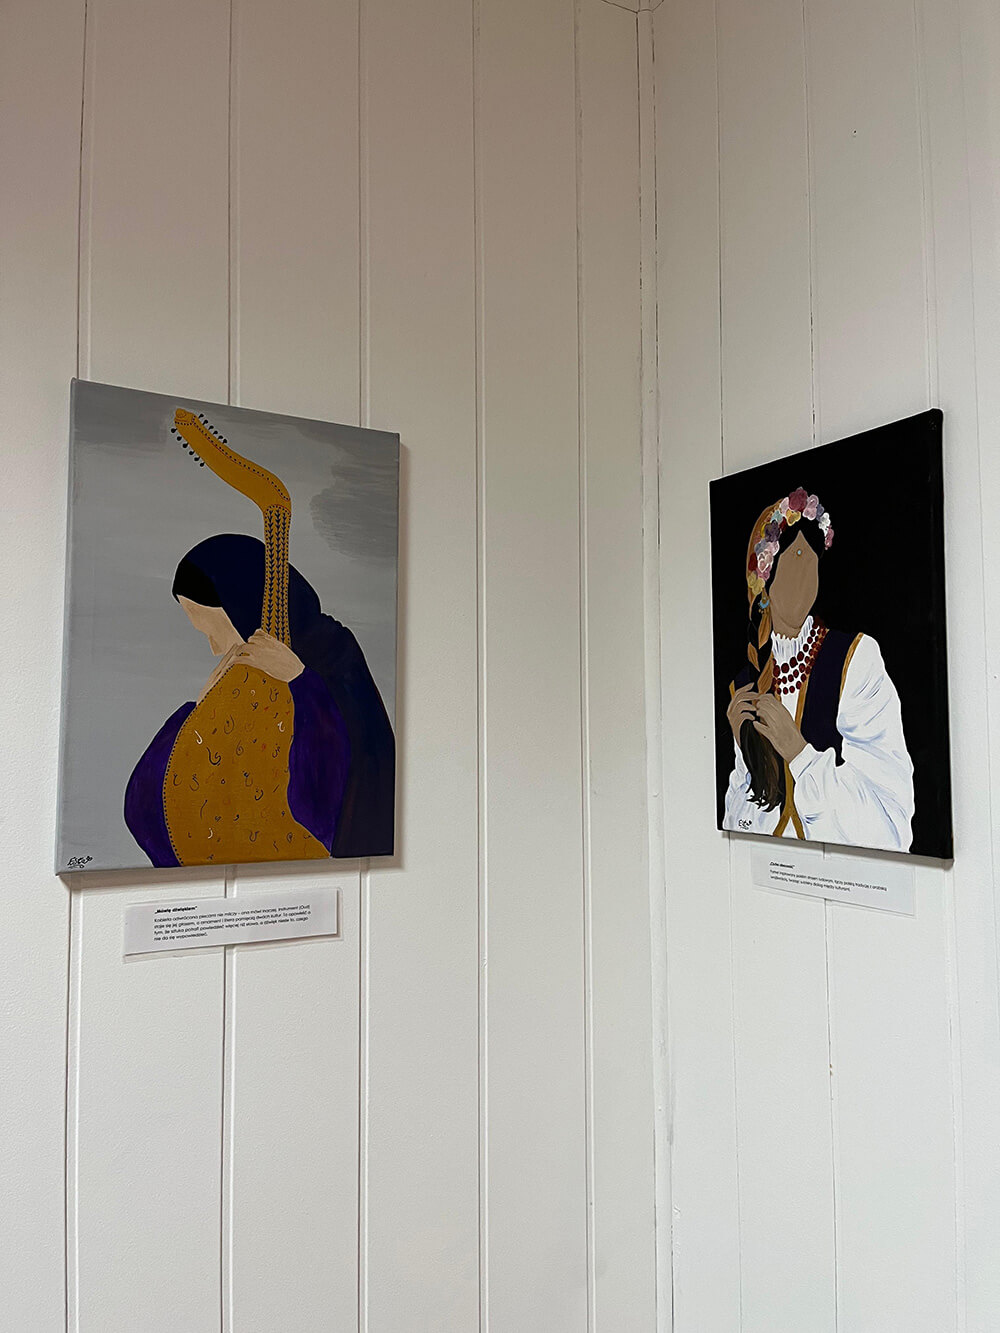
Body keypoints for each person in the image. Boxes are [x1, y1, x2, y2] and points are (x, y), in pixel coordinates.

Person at [125, 533, 395, 866]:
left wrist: (301, 680)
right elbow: (147, 808)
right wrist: (199, 708)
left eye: (214, 631)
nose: (215, 649)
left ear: (241, 608)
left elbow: (347, 784)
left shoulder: (333, 656)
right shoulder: (241, 677)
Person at [723, 488, 914, 851]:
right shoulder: (745, 684)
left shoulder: (854, 659)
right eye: (795, 558)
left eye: (811, 562)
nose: (805, 576)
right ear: (764, 577)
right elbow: (739, 827)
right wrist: (747, 756)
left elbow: (890, 827)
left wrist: (799, 753)